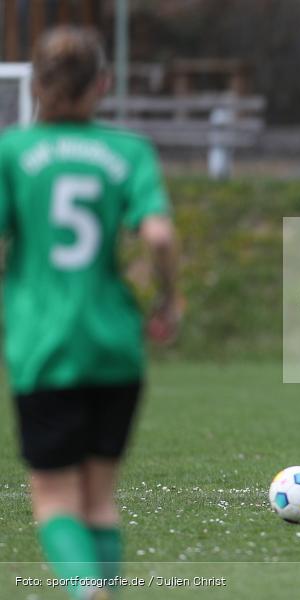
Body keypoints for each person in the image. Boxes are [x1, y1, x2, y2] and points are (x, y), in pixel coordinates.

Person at [0, 26, 179, 600]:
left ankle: (86, 591)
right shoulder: (129, 150)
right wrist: (167, 299)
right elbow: (158, 236)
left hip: (43, 345)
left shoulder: (12, 152)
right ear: (102, 83)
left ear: (37, 85)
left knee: (55, 499)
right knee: (99, 499)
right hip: (113, 344)